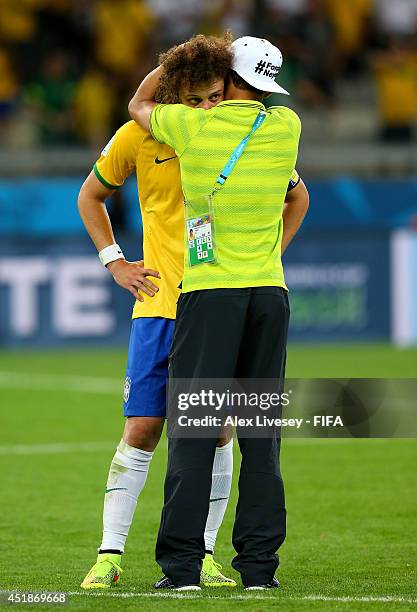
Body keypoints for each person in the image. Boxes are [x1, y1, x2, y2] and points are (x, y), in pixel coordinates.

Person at [128, 36, 308, 590]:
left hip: (209, 297)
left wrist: (179, 63)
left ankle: (182, 569)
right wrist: (266, 257)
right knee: (262, 439)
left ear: (224, 77)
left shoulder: (192, 128)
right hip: (269, 296)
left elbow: (138, 105)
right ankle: (259, 571)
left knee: (193, 435)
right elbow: (297, 199)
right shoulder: (287, 127)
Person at [78, 33, 237, 590]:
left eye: (214, 96)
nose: (205, 109)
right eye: (193, 99)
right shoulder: (141, 134)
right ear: (173, 96)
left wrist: (266, 258)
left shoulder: (241, 132)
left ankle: (207, 554)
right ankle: (109, 555)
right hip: (158, 305)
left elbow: (297, 196)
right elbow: (90, 197)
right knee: (143, 428)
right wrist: (115, 262)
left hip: (217, 303)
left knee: (216, 430)